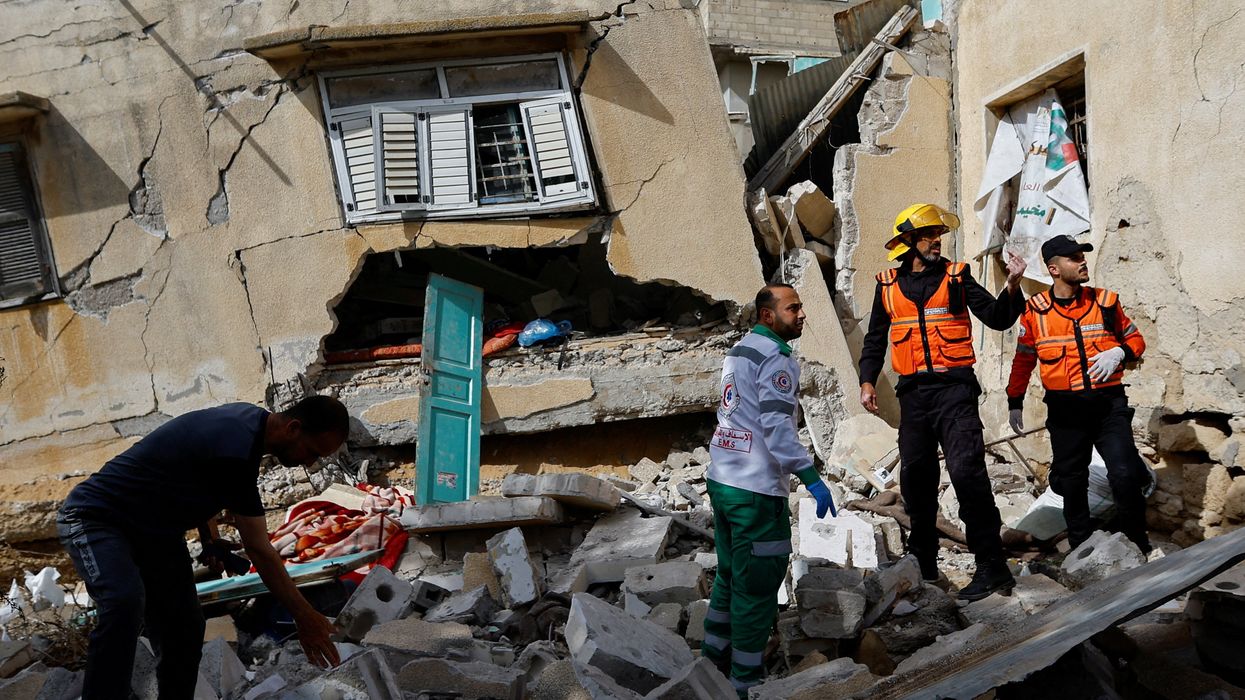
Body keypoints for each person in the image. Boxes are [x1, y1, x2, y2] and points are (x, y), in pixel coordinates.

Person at [57, 396, 349, 699]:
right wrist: (305, 616)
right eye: (312, 452)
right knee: (123, 603)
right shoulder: (237, 451)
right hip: (96, 518)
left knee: (184, 625)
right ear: (293, 427)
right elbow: (259, 548)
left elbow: (196, 471)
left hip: (155, 532)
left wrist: (209, 538)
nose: (310, 463)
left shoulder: (249, 423)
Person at [859, 203, 1026, 601]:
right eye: (929, 235)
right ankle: (924, 562)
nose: (937, 241)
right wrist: (867, 381)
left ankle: (992, 567)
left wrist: (1014, 285)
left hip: (955, 391)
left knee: (967, 473)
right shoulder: (886, 286)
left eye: (939, 235)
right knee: (916, 481)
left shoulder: (956, 277)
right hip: (913, 396)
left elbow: (998, 317)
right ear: (907, 242)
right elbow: (874, 341)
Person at [702, 283, 837, 698]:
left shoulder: (740, 350)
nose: (801, 314)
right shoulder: (777, 359)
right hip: (755, 490)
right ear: (767, 316)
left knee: (729, 574)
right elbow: (778, 430)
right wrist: (811, 478)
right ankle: (745, 682)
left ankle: (711, 663)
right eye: (793, 308)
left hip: (724, 480)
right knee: (757, 587)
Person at [1006, 234, 1151, 553]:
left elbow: (1137, 340)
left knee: (1125, 473)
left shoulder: (1106, 302)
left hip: (1108, 406)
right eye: (1074, 258)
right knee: (1071, 480)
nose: (1082, 261)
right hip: (1065, 410)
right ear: (1054, 269)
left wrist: (1120, 353)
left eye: (1082, 256)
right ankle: (1083, 547)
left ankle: (1136, 545)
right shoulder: (1035, 311)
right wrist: (1014, 400)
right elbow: (1024, 359)